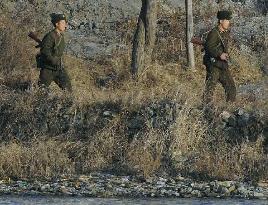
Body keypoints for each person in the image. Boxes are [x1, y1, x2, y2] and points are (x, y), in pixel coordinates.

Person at [203, 10, 236, 105]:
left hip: (222, 65)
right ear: (221, 21)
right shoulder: (214, 33)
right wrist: (219, 54)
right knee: (210, 88)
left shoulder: (224, 33)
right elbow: (209, 47)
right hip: (213, 65)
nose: (229, 22)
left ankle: (230, 108)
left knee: (231, 87)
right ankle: (207, 109)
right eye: (227, 20)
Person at [38, 13, 72, 91]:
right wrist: (53, 60)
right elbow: (44, 51)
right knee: (41, 92)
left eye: (65, 23)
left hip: (58, 69)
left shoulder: (61, 36)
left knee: (68, 90)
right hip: (48, 69)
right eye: (63, 23)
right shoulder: (50, 36)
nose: (65, 25)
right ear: (57, 24)